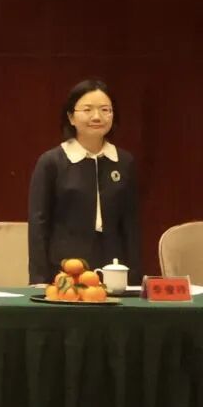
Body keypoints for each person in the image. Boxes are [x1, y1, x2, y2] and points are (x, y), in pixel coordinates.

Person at [28, 79, 141, 284]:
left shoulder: (124, 161)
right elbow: (38, 225)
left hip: (114, 267)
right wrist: (38, 279)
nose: (97, 117)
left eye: (105, 110)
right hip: (64, 268)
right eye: (87, 109)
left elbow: (131, 226)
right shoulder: (52, 162)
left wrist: (135, 277)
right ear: (71, 117)